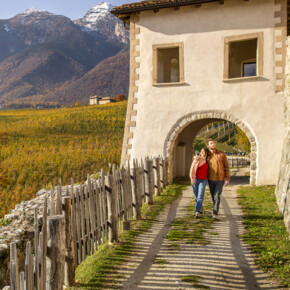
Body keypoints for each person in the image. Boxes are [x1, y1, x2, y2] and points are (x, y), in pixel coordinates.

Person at [206, 138, 230, 219]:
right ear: (208, 145)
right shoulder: (206, 155)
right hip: (210, 179)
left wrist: (227, 179)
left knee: (217, 196)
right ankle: (215, 208)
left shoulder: (221, 154)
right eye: (211, 143)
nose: (213, 144)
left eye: (213, 143)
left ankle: (215, 213)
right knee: (213, 196)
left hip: (220, 179)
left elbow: (226, 167)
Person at [189, 148, 209, 218]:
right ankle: (200, 207)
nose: (203, 153)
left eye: (204, 152)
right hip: (195, 179)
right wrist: (192, 178)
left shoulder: (208, 161)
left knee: (200, 195)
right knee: (196, 195)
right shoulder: (197, 159)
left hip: (203, 180)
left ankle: (197, 212)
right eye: (202, 151)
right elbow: (192, 169)